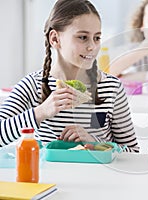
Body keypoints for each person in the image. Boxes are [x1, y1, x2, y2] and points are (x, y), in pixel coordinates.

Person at [0, 0, 139, 152]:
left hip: (97, 176)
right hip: (50, 176)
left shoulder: (111, 87)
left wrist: (94, 143)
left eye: (97, 38)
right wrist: (41, 112)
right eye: (82, 37)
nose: (92, 46)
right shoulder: (32, 85)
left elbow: (132, 151)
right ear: (55, 39)